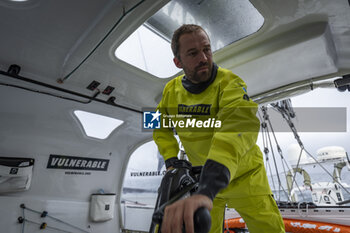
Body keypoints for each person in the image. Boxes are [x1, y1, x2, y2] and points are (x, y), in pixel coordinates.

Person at [153, 24, 285, 233]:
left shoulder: (230, 83)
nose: (204, 58)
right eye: (193, 53)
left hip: (245, 178)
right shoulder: (171, 90)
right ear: (178, 62)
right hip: (202, 181)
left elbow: (237, 129)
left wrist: (207, 187)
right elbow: (157, 124)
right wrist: (171, 159)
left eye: (207, 49)